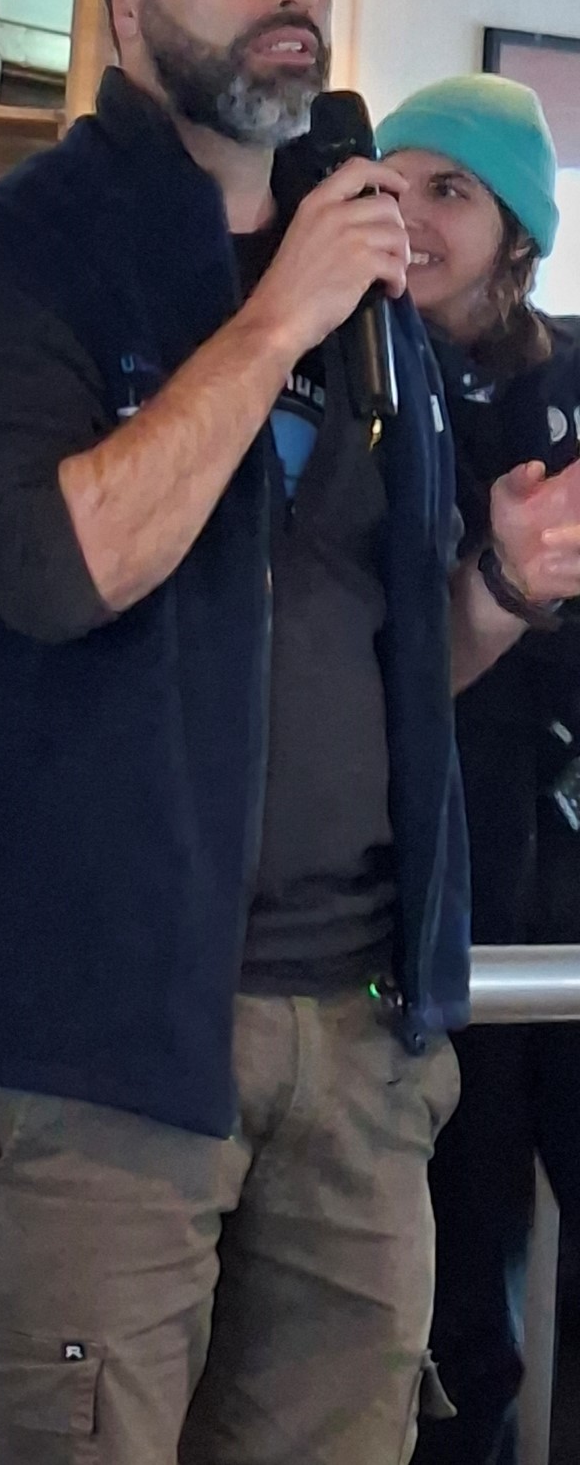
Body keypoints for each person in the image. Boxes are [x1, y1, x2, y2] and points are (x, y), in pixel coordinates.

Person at [0, 0, 580, 1465]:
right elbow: (61, 568)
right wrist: (272, 324)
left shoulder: (367, 288)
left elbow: (387, 666)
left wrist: (497, 586)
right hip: (113, 1041)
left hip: (363, 1041)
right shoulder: (7, 271)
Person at [377, 77, 580, 1463]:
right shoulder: (344, 373)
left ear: (519, 234)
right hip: (415, 881)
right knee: (442, 1275)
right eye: (391, 183)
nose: (411, 213)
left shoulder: (569, 387)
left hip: (545, 872)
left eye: (451, 189)